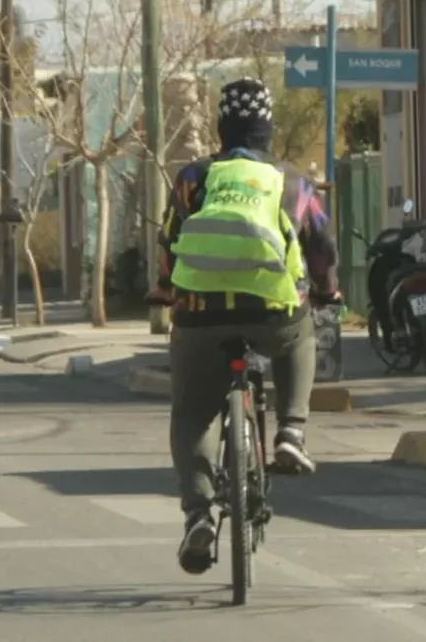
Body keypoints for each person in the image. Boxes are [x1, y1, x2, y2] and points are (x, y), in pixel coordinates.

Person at [147, 77, 340, 575]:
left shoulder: (193, 177)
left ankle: (198, 515)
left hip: (199, 312)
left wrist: (165, 292)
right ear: (268, 128)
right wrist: (327, 291)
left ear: (221, 127)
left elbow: (170, 242)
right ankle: (291, 431)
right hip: (273, 310)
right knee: (300, 334)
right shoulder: (293, 182)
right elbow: (321, 246)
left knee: (193, 412)